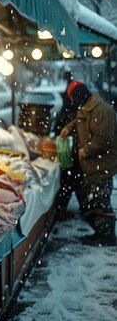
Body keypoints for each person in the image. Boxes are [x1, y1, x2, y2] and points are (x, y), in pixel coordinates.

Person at [60, 81, 117, 246]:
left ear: (79, 95)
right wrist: (68, 128)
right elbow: (80, 121)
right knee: (92, 202)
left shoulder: (102, 110)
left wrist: (86, 150)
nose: (72, 102)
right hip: (92, 165)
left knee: (101, 203)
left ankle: (107, 238)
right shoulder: (87, 106)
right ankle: (100, 233)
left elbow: (104, 139)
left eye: (73, 98)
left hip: (103, 164)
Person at [52, 72, 82, 221]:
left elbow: (57, 128)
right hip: (71, 151)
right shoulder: (76, 112)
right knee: (72, 182)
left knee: (68, 182)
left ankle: (62, 209)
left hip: (68, 151)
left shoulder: (68, 111)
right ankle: (65, 209)